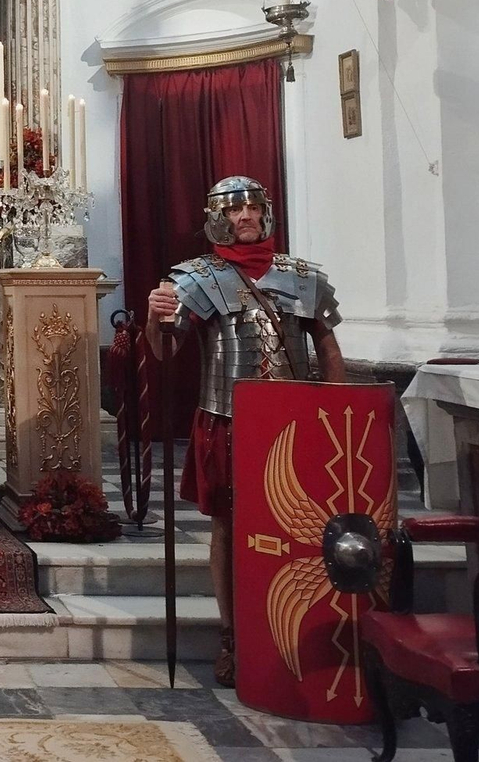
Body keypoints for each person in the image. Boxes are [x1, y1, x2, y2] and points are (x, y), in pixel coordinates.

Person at [144, 176, 347, 688]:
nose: (246, 216)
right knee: (228, 526)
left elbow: (327, 349)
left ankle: (301, 630)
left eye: (253, 207)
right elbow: (165, 350)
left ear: (266, 213)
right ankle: (232, 635)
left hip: (297, 419)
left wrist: (338, 413)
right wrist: (154, 317)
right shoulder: (195, 278)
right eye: (235, 210)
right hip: (226, 419)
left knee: (303, 527)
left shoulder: (302, 276)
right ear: (218, 219)